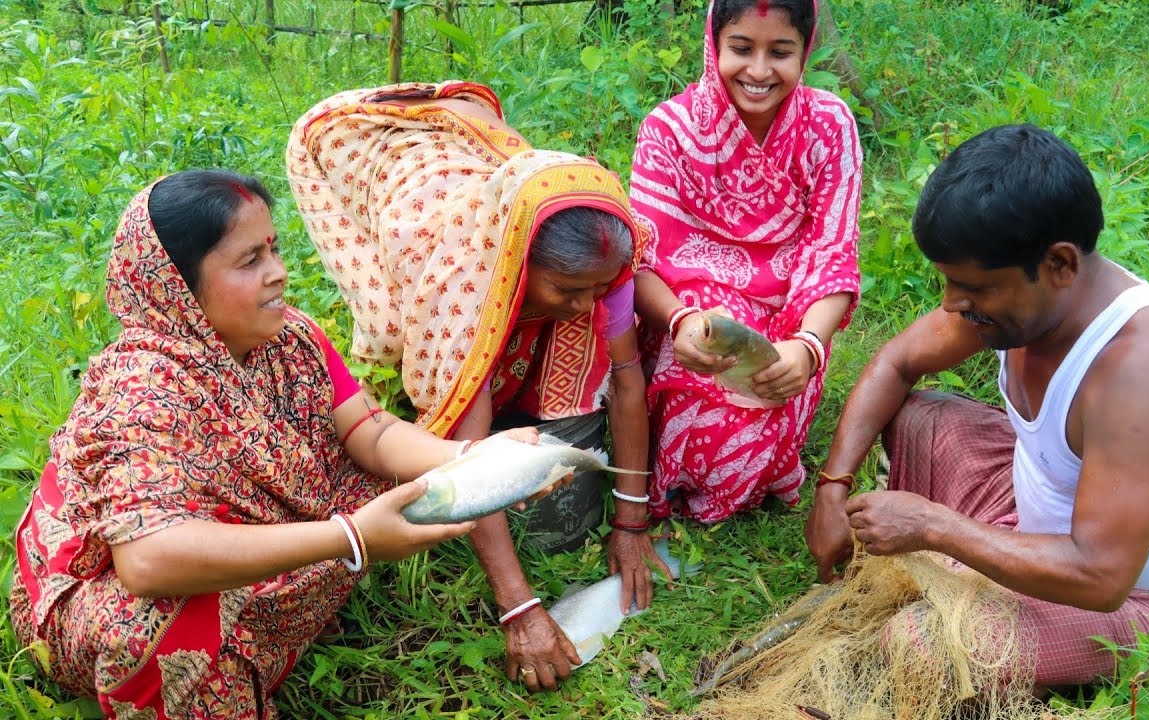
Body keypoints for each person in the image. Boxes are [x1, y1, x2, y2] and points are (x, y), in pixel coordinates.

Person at [7, 170, 550, 719]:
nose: (279, 275)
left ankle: (276, 625)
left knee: (383, 480)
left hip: (247, 532)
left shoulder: (290, 336)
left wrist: (467, 459)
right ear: (175, 284)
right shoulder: (143, 391)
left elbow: (371, 431)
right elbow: (148, 562)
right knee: (152, 636)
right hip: (99, 582)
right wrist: (352, 536)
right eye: (249, 261)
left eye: (274, 250)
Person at [805, 124, 1149, 687]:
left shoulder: (1145, 373)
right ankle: (975, 562)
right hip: (1037, 512)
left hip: (1139, 602)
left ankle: (966, 578)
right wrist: (831, 486)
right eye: (947, 282)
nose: (951, 304)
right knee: (922, 415)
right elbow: (896, 363)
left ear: (1060, 264)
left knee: (918, 647)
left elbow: (1102, 576)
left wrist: (935, 527)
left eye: (973, 287)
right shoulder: (1024, 302)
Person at [285, 82, 667, 691]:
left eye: (599, 289)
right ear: (514, 266)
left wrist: (631, 522)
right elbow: (467, 444)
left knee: (559, 527)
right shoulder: (459, 286)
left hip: (472, 177)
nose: (586, 306)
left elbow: (626, 381)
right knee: (393, 330)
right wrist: (519, 608)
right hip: (365, 163)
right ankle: (410, 385)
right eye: (566, 291)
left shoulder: (602, 259)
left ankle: (515, 370)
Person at [629, 0, 863, 523]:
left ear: (805, 54)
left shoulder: (829, 126)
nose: (759, 72)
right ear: (715, 46)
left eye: (780, 52)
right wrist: (681, 321)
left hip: (791, 320)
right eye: (741, 48)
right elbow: (642, 260)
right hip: (686, 318)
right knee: (711, 425)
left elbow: (832, 252)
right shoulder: (668, 130)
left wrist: (806, 349)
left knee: (761, 409)